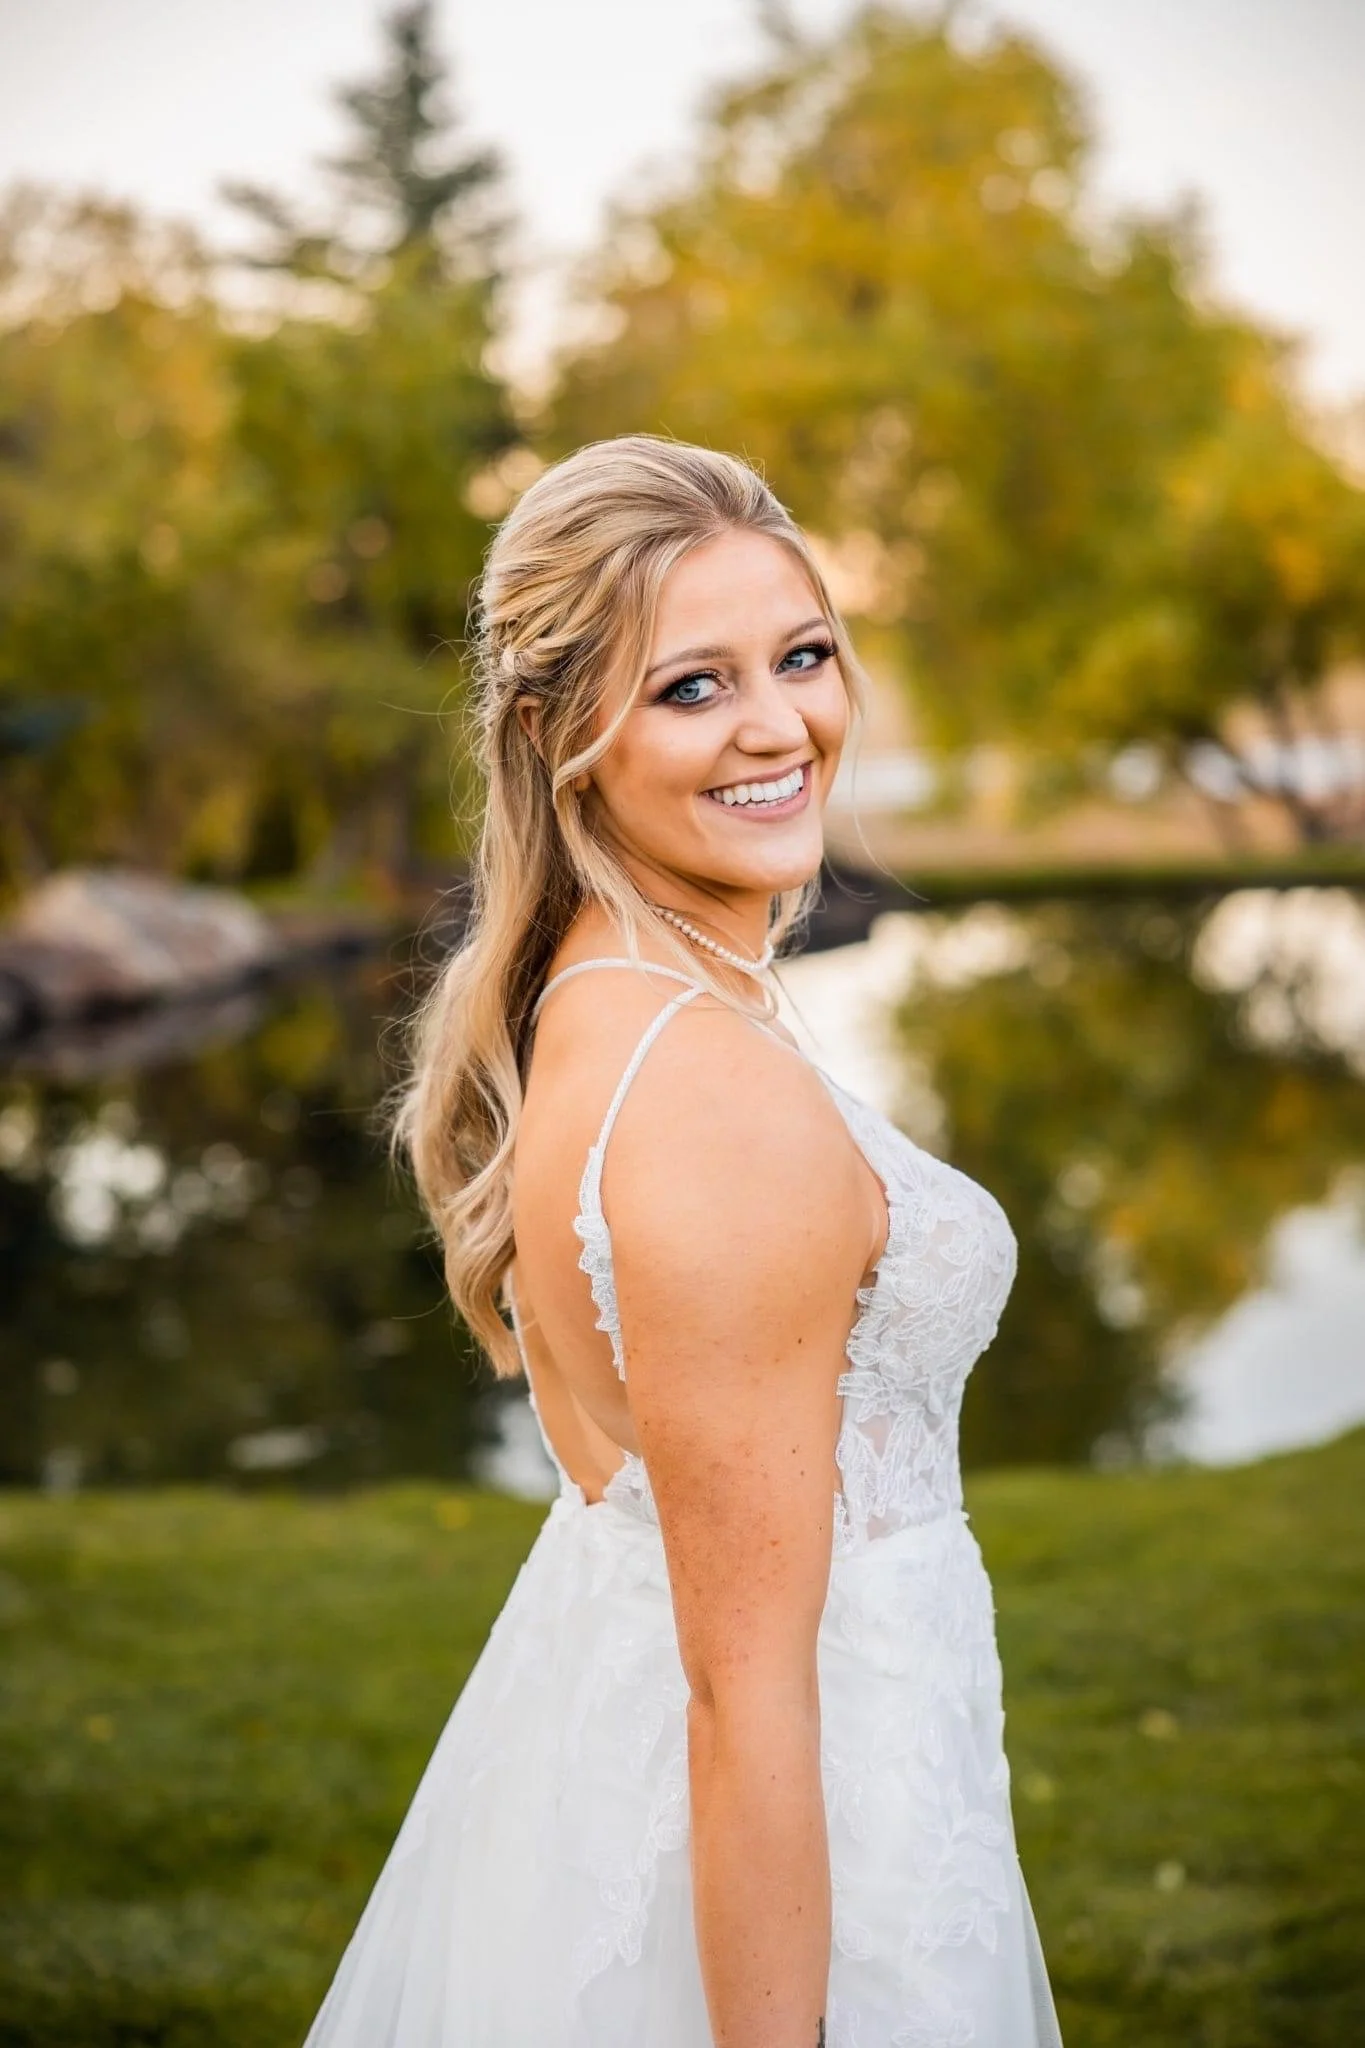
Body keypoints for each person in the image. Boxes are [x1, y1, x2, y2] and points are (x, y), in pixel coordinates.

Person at [301, 436, 1063, 2048]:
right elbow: (745, 1704)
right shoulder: (710, 1098)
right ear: (558, 730)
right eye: (691, 688)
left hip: (691, 1770)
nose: (780, 726)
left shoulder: (599, 989)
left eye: (801, 657)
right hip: (815, 1865)